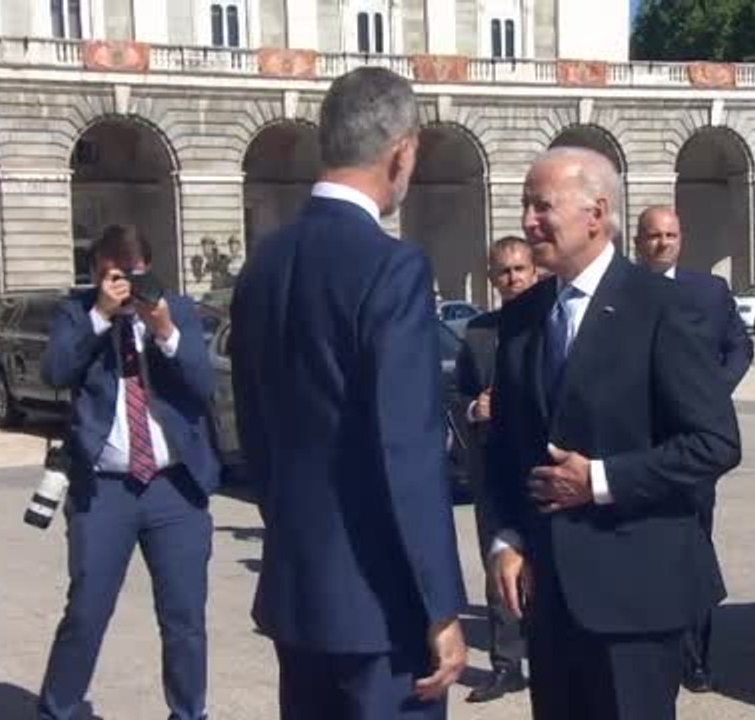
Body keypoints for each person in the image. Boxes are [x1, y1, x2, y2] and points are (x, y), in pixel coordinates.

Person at [229, 66, 468, 720]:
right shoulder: (393, 267)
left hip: (297, 590)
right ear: (401, 152)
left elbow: (254, 429)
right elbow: (407, 449)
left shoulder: (263, 266)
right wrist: (440, 603)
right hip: (380, 606)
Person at [486, 147, 742, 720]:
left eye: (542, 206)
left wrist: (600, 479)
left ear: (596, 214)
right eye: (526, 206)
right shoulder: (523, 318)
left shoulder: (662, 308)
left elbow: (715, 442)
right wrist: (506, 537)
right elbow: (505, 447)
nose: (528, 222)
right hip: (549, 599)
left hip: (635, 599)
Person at [36, 225, 220, 720]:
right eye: (115, 278)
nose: (127, 289)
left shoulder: (175, 310)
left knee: (184, 619)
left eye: (135, 277)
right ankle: (57, 710)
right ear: (96, 275)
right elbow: (54, 372)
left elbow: (204, 386)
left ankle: (188, 713)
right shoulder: (77, 313)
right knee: (86, 611)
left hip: (174, 487)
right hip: (105, 488)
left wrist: (164, 332)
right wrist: (99, 316)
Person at [633, 205, 754, 693]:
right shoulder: (621, 292)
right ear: (639, 242)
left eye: (671, 235)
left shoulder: (709, 291)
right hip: (640, 444)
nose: (663, 242)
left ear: (681, 239)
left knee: (694, 546)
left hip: (696, 443)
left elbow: (740, 347)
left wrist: (709, 394)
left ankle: (697, 656)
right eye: (654, 236)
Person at [452, 235, 538, 703]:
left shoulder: (551, 322)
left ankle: (547, 653)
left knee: (545, 562)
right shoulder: (479, 333)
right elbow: (457, 394)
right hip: (492, 465)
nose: (512, 279)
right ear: (492, 279)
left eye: (520, 269)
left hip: (543, 464)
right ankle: (507, 664)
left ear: (534, 272)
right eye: (504, 272)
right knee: (497, 564)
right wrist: (473, 409)